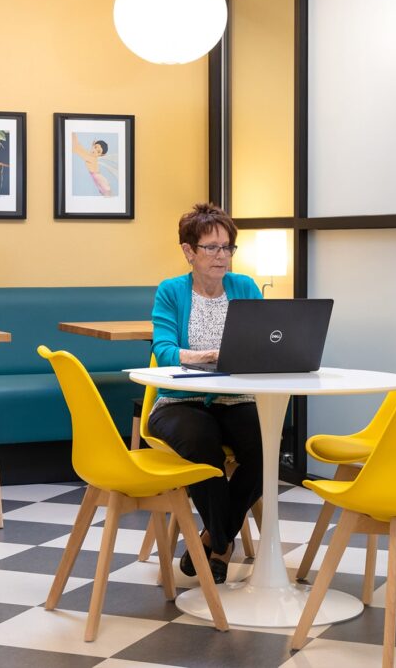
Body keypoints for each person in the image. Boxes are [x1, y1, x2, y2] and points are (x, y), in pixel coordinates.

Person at [148, 202, 263, 584]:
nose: (222, 256)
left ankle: (215, 538)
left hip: (236, 399)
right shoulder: (171, 291)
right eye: (212, 247)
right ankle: (223, 543)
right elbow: (164, 351)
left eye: (227, 247)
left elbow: (264, 338)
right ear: (189, 251)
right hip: (180, 400)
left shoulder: (244, 287)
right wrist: (209, 355)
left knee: (265, 449)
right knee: (203, 444)